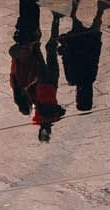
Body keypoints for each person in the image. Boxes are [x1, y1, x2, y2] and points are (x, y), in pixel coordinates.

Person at [58, 0, 107, 112]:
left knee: (95, 27)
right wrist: (64, 48)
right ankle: (75, 8)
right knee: (77, 25)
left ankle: (100, 9)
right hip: (76, 45)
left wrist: (97, 46)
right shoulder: (72, 79)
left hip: (90, 46)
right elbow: (66, 62)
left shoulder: (91, 79)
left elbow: (94, 61)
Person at [31, 11, 66, 141]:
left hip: (46, 83)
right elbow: (60, 110)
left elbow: (57, 109)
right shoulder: (44, 119)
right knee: (46, 50)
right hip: (47, 83)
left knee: (43, 51)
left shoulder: (41, 119)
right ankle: (55, 20)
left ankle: (51, 21)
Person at [8, 0, 43, 114]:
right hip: (22, 44)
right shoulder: (15, 85)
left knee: (32, 13)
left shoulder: (25, 81)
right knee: (24, 13)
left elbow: (29, 62)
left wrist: (32, 44)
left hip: (27, 44)